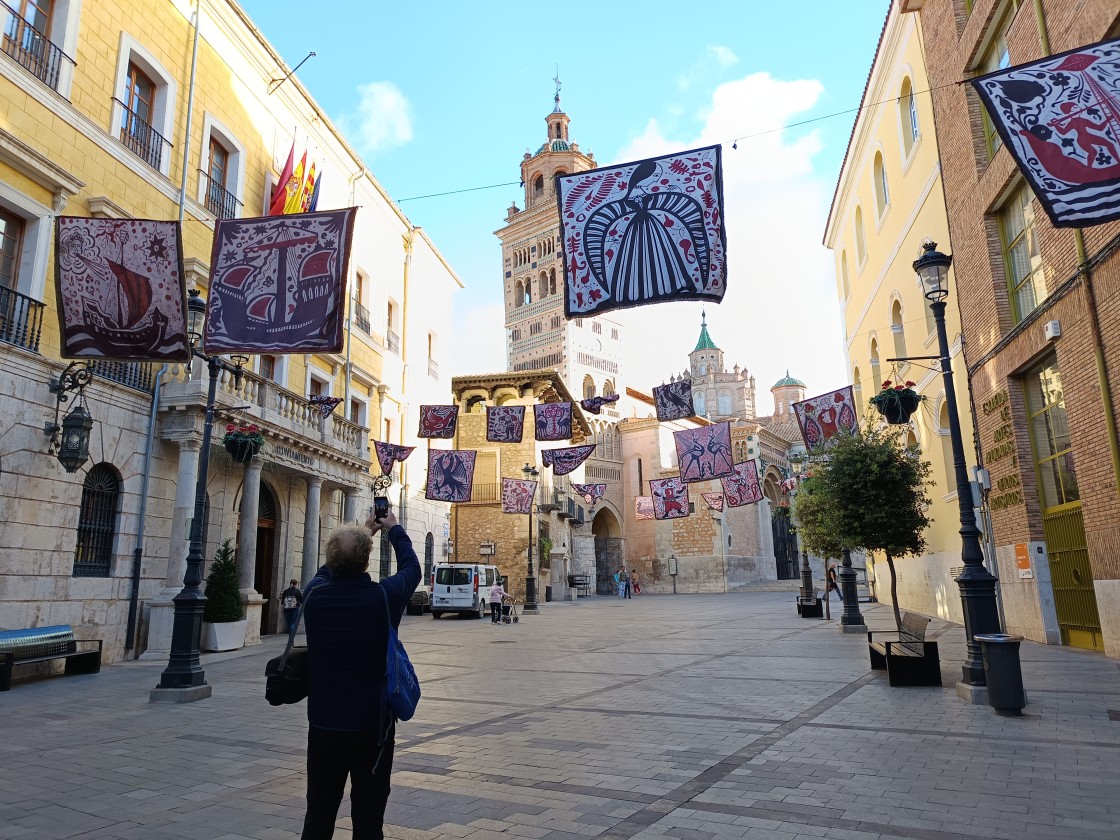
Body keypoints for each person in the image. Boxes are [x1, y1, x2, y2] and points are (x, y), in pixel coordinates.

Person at [300, 508, 420, 840]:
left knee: (319, 813)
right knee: (368, 817)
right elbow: (412, 568)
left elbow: (325, 572)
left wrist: (364, 531)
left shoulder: (313, 595)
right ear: (367, 561)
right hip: (372, 726)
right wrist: (393, 529)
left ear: (329, 559)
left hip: (324, 724)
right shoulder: (382, 597)